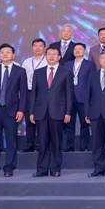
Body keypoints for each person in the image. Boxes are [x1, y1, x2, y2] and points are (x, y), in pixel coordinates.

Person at [0, 44, 27, 177]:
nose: (5, 54)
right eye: (2, 52)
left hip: (12, 110)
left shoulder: (20, 71)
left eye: (8, 52)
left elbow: (23, 93)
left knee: (11, 140)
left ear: (13, 55)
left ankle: (9, 168)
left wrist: (21, 110)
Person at [30, 46, 73, 177]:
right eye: (49, 54)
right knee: (42, 142)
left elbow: (69, 95)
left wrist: (68, 112)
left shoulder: (66, 72)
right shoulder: (38, 72)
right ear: (46, 56)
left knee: (56, 142)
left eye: (54, 54)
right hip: (41, 112)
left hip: (58, 112)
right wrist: (31, 112)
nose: (52, 56)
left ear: (59, 57)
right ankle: (42, 169)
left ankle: (55, 168)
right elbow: (33, 94)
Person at [64, 43, 93, 152]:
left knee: (84, 123)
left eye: (80, 49)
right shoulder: (67, 64)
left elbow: (92, 82)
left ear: (84, 51)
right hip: (69, 97)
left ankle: (84, 145)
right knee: (69, 123)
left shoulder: (90, 64)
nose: (77, 51)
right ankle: (69, 145)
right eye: (75, 49)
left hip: (83, 97)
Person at [21, 38, 48, 152]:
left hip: (43, 93)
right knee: (29, 120)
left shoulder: (48, 61)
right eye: (35, 46)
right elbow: (22, 79)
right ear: (32, 48)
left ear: (44, 48)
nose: (37, 48)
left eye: (40, 46)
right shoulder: (27, 62)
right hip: (29, 92)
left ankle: (40, 144)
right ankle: (29, 144)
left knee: (42, 119)